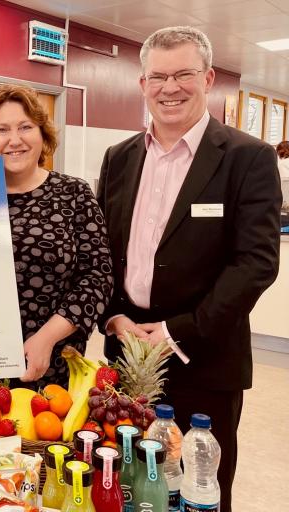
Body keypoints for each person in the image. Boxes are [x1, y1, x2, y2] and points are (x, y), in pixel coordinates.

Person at [97, 26, 281, 512]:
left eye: (183, 74)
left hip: (203, 360)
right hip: (126, 353)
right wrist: (111, 317)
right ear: (142, 84)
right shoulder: (119, 158)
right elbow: (102, 251)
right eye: (158, 76)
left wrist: (179, 332)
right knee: (126, 482)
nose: (170, 87)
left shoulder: (248, 158)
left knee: (197, 490)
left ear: (208, 78)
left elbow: (255, 264)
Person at [0, 84, 113, 389]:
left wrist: (46, 338)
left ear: (42, 134)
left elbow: (98, 276)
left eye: (25, 127)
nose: (14, 140)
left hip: (53, 366)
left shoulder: (74, 193)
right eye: (1, 129)